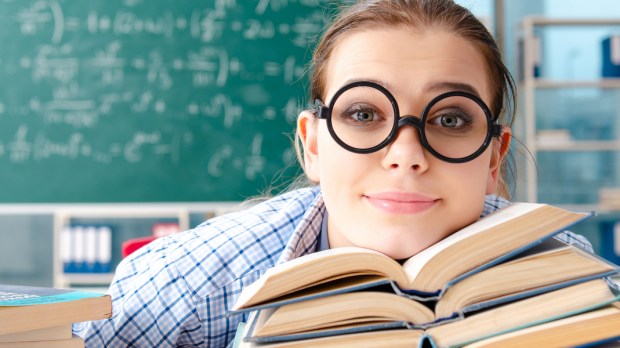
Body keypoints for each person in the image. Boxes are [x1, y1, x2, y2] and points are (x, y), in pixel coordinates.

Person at [74, 0, 593, 346]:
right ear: (313, 145)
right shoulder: (190, 283)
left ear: (493, 157)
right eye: (364, 115)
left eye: (450, 119)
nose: (406, 155)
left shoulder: (565, 277)